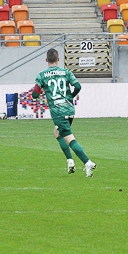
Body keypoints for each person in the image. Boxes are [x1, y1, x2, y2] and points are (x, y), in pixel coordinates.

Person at [30, 48, 96, 176]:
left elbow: (34, 95)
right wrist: (70, 97)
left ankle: (87, 162)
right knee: (57, 132)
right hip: (69, 108)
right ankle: (70, 161)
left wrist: (42, 90)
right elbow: (78, 86)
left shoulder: (42, 75)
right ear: (58, 59)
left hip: (58, 111)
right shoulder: (66, 72)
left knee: (69, 138)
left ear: (46, 60)